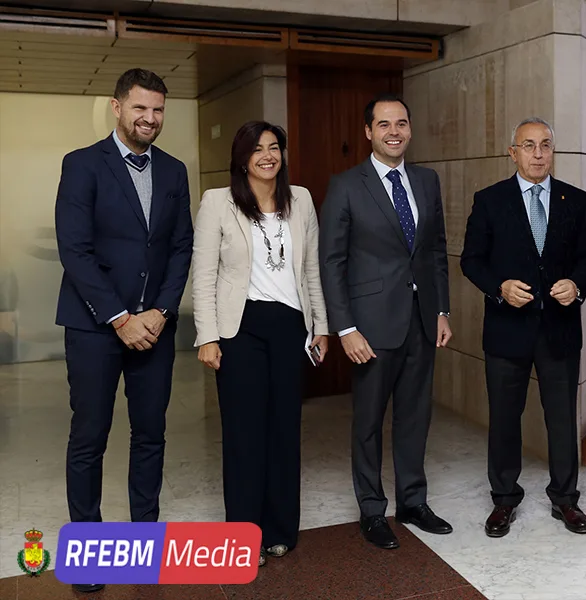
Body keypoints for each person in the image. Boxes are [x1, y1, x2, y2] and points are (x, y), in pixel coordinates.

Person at [55, 68, 193, 594]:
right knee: (89, 437)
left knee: (150, 434)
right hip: (95, 327)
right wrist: (119, 318)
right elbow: (75, 250)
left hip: (155, 328)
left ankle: (144, 542)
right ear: (117, 107)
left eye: (157, 109)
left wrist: (161, 311)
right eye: (140, 108)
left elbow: (181, 246)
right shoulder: (82, 164)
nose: (149, 118)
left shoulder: (174, 171)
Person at [192, 121, 329, 566]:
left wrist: (321, 325)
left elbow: (311, 269)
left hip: (291, 327)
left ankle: (280, 530)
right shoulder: (218, 202)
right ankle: (242, 537)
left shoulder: (301, 199)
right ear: (242, 158)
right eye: (257, 149)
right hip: (240, 329)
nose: (267, 156)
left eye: (274, 147)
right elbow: (204, 275)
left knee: (284, 430)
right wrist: (207, 337)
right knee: (244, 434)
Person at [319, 93, 452, 549]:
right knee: (369, 423)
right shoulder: (346, 185)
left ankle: (413, 502)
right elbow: (331, 261)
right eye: (384, 124)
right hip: (370, 326)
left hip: (421, 320)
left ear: (410, 129)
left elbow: (436, 252)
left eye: (401, 123)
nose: (394, 132)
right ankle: (372, 510)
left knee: (415, 417)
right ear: (368, 132)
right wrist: (345, 328)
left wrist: (442, 310)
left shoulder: (427, 181)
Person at [461, 117, 586, 537]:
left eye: (545, 145)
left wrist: (577, 284)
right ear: (513, 153)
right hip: (507, 330)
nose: (538, 154)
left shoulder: (576, 200)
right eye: (528, 145)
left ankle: (566, 499)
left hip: (560, 330)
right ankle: (504, 499)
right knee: (505, 418)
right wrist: (499, 288)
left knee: (562, 419)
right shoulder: (490, 200)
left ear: (553, 151)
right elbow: (472, 260)